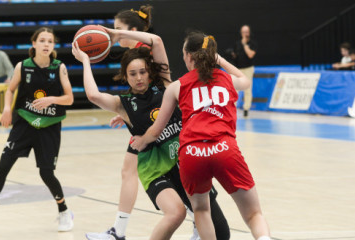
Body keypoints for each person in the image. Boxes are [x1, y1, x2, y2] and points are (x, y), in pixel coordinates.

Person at [86, 6, 229, 240]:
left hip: (180, 147)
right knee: (170, 207)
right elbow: (104, 97)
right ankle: (120, 230)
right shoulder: (132, 68)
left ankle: (121, 230)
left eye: (119, 29)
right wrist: (127, 113)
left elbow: (157, 44)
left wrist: (115, 35)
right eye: (134, 74)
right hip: (155, 151)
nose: (139, 77)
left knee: (216, 226)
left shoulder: (148, 57)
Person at [131, 31, 271, 240]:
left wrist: (142, 140)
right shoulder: (226, 79)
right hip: (224, 149)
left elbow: (157, 129)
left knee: (202, 211)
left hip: (192, 153)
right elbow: (245, 80)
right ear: (211, 55)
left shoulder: (177, 87)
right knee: (253, 214)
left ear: (188, 56)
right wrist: (220, 60)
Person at [0, 27, 74, 233]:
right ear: (34, 44)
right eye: (42, 40)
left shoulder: (60, 67)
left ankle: (64, 211)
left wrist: (51, 100)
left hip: (49, 126)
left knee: (47, 174)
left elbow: (70, 98)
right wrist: (7, 108)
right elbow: (10, 89)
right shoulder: (23, 67)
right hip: (24, 122)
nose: (46, 44)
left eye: (50, 41)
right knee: (2, 168)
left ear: (53, 46)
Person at [232, 25, 257, 117]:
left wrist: (245, 44)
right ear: (241, 33)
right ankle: (233, 108)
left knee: (248, 88)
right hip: (238, 69)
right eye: (243, 32)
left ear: (249, 33)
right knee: (235, 89)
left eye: (247, 32)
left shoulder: (252, 43)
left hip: (248, 68)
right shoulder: (237, 43)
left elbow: (250, 55)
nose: (245, 34)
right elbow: (235, 56)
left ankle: (246, 108)